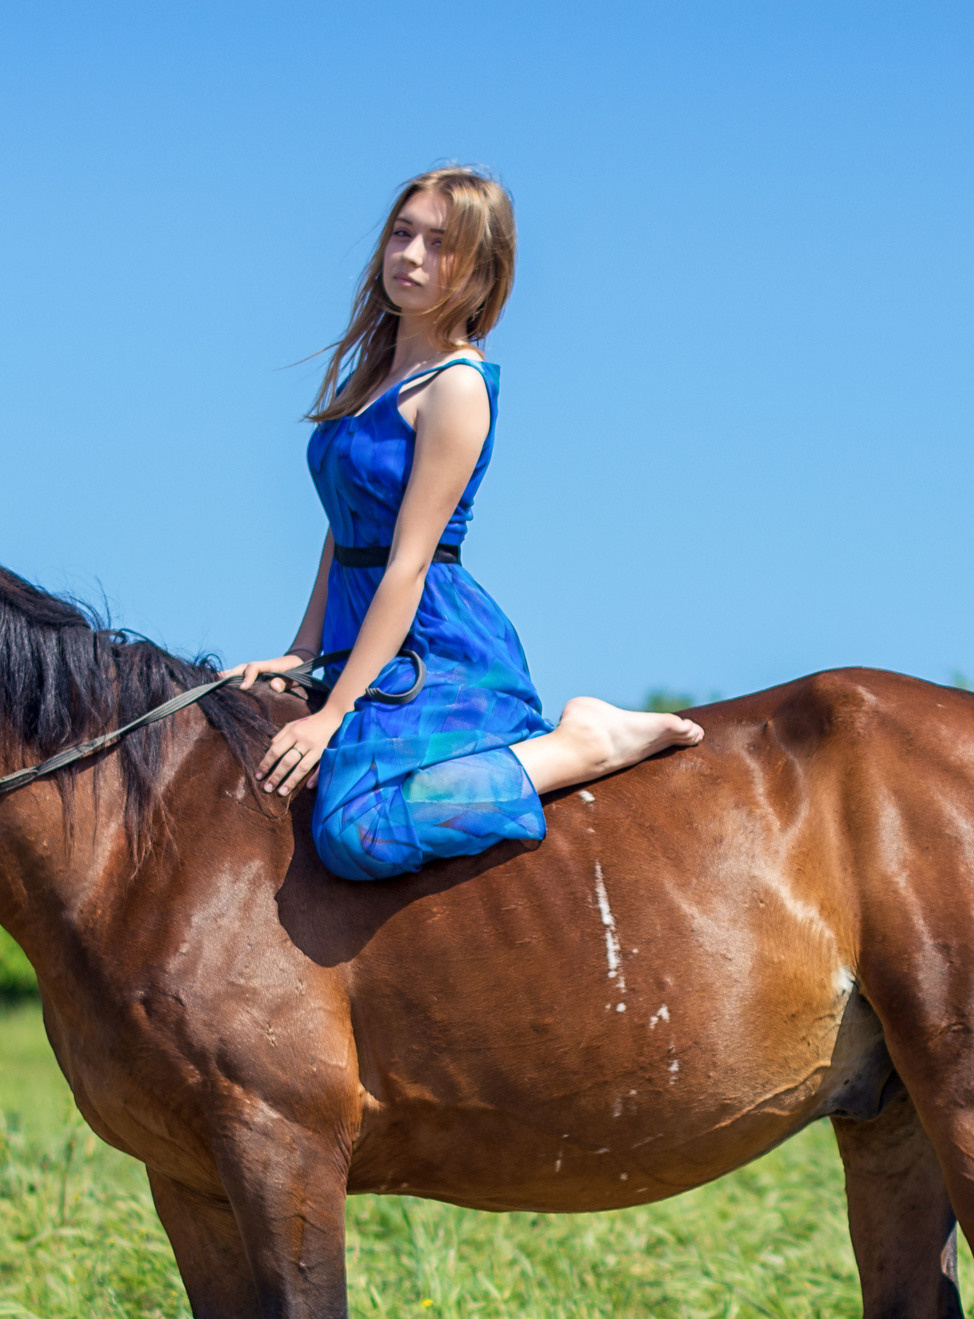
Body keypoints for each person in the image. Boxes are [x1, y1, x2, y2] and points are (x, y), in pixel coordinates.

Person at [227, 166, 703, 882]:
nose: (410, 255)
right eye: (402, 232)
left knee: (355, 829)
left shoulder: (457, 387)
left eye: (439, 244)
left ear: (480, 270)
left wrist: (334, 713)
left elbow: (406, 564)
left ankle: (583, 744)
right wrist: (302, 654)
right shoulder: (373, 377)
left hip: (430, 640)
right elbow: (346, 526)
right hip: (361, 628)